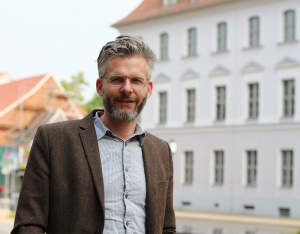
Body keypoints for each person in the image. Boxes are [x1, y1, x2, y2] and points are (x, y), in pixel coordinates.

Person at [11, 35, 176, 234]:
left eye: (136, 80)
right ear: (100, 86)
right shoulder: (54, 140)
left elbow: (166, 227)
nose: (127, 89)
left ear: (148, 89)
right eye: (117, 79)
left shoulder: (160, 151)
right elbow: (28, 226)